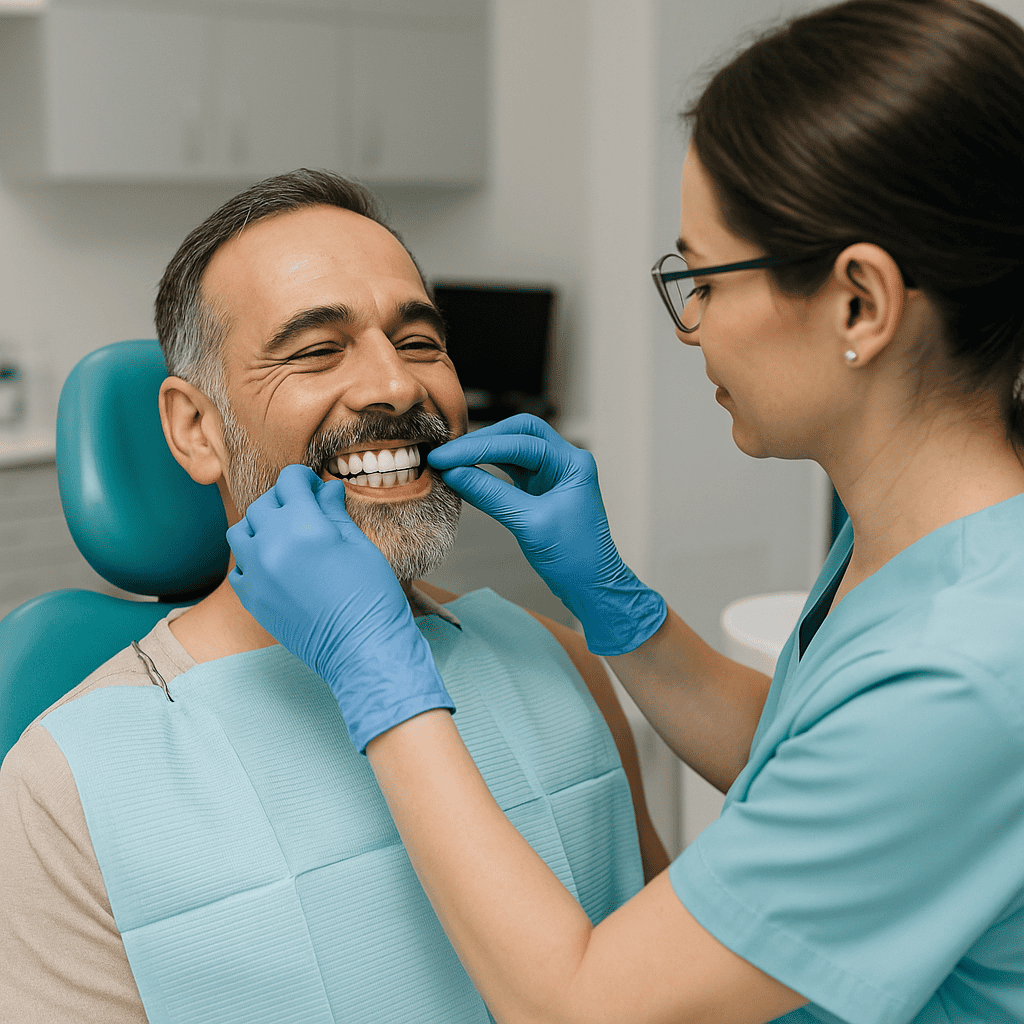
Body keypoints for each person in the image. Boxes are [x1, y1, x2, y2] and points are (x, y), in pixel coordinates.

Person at [224, 1, 1024, 1022]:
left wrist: (377, 676)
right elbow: (806, 756)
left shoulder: (965, 665)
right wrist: (620, 607)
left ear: (859, 303)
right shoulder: (916, 544)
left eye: (703, 277)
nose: (689, 327)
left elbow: (581, 1007)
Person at [0, 169, 668, 1023]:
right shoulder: (65, 785)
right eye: (318, 349)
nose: (396, 386)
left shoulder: (563, 658)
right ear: (196, 429)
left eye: (421, 341)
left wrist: (626, 614)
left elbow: (672, 971)